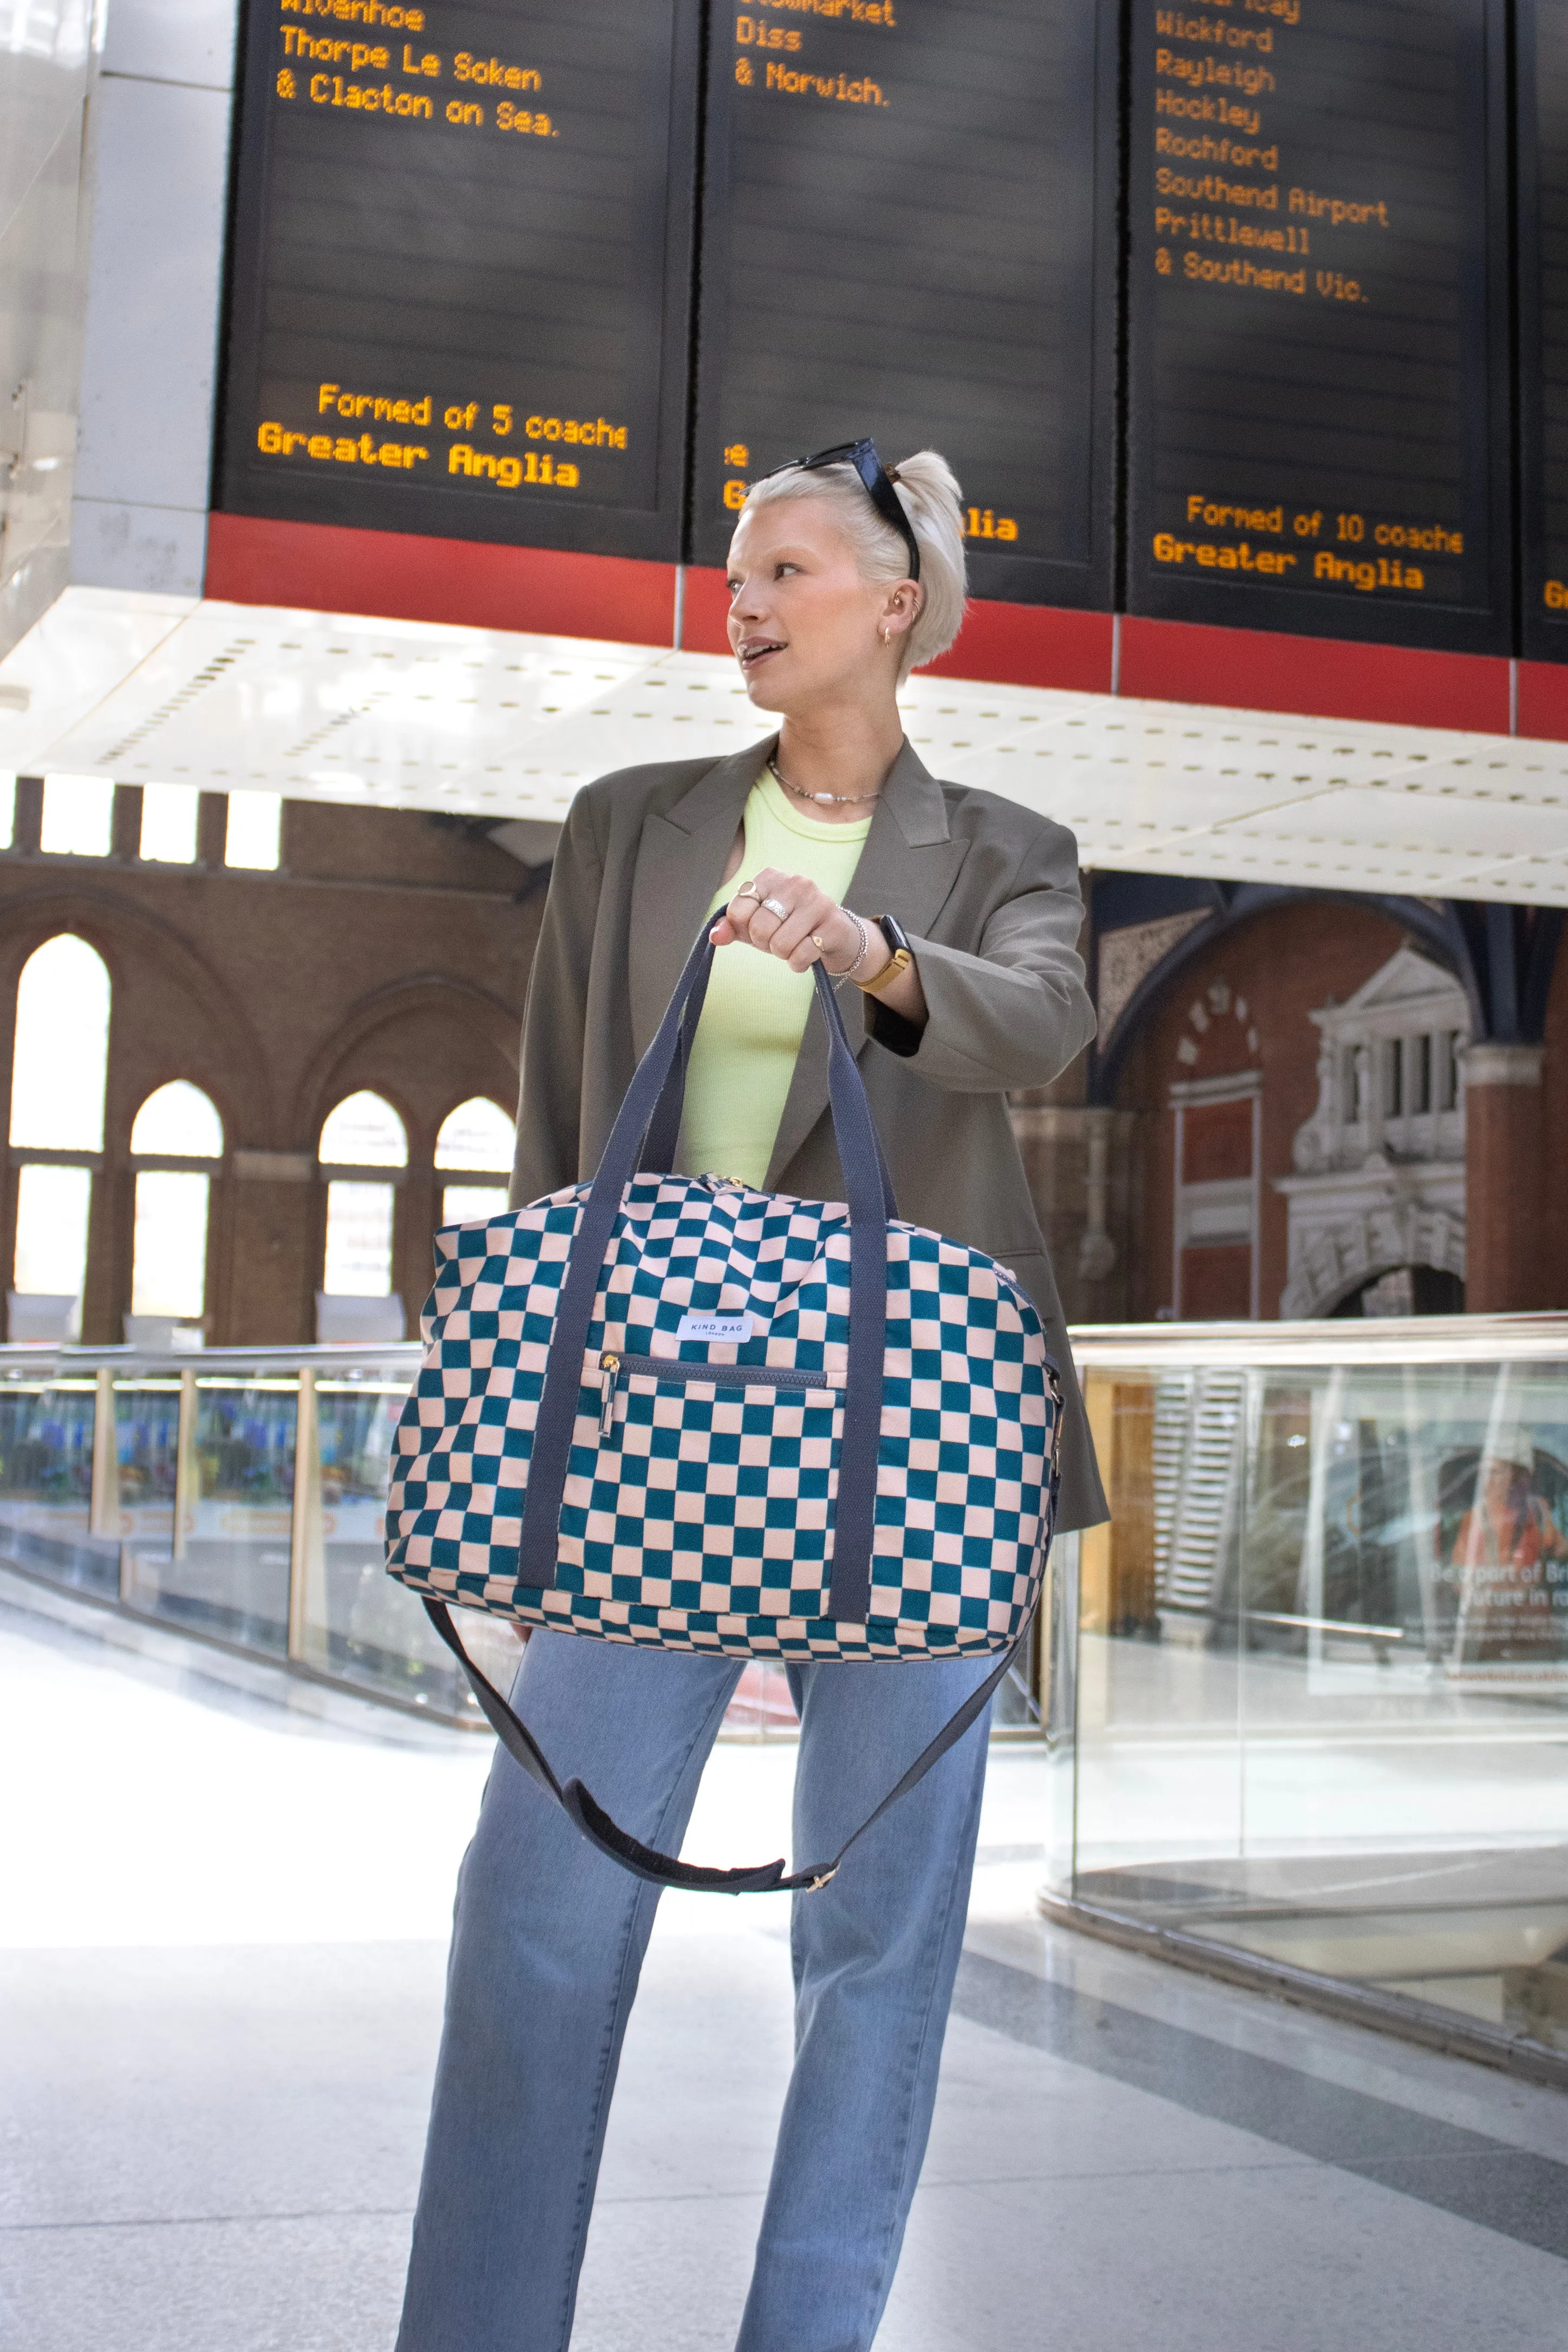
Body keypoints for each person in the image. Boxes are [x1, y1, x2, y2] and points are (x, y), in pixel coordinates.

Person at [395, 440, 1107, 2352]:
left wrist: (865, 949)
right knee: (536, 1918)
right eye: (737, 572)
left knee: (877, 1943)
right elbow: (564, 1122)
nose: (750, 598)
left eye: (793, 567)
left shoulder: (1012, 852)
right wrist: (511, 1409)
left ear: (897, 605)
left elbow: (1044, 1020)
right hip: (644, 1433)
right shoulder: (632, 823)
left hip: (922, 1454)